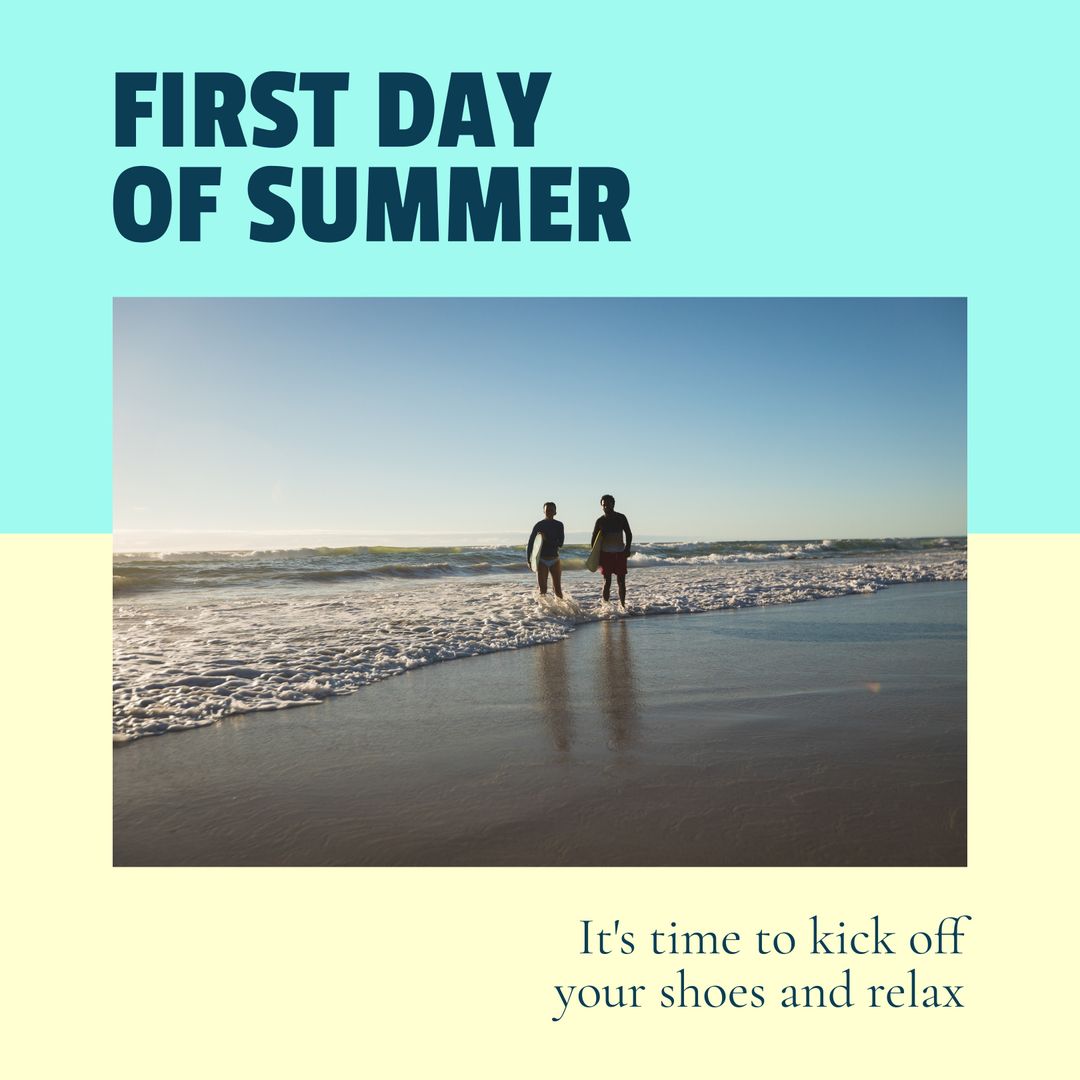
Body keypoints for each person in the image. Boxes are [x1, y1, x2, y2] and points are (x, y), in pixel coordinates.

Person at [591, 494, 633, 606]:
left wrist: (627, 548)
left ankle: (623, 606)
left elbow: (628, 534)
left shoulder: (621, 518)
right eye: (603, 505)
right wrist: (595, 555)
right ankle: (606, 607)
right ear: (601, 506)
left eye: (608, 504)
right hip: (605, 554)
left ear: (613, 504)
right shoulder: (600, 521)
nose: (606, 507)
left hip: (620, 553)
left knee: (621, 581)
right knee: (607, 581)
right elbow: (593, 539)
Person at [526, 502, 565, 598]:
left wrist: (546, 539)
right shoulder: (539, 525)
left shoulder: (559, 525)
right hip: (541, 560)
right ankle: (543, 608)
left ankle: (561, 607)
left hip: (555, 559)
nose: (549, 512)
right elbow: (531, 543)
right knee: (543, 590)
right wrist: (529, 560)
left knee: (558, 590)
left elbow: (560, 543)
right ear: (544, 511)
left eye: (551, 510)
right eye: (547, 510)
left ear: (555, 512)